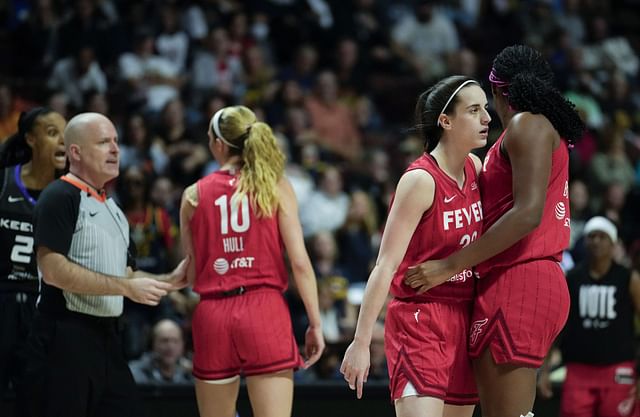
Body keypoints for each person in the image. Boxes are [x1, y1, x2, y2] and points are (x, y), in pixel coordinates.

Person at [404, 45, 585, 417]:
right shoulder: (532, 129)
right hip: (519, 277)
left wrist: (447, 265)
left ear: (498, 89)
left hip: (522, 277)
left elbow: (527, 215)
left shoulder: (527, 123)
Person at [341, 75, 490, 417]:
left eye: (485, 108)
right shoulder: (420, 180)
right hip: (420, 317)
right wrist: (362, 341)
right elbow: (385, 265)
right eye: (474, 110)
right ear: (446, 121)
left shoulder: (475, 167)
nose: (486, 118)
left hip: (465, 317)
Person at [23, 112, 190, 417]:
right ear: (75, 152)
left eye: (115, 141)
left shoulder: (113, 208)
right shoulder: (59, 196)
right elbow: (53, 270)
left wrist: (169, 281)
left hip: (108, 339)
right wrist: (126, 287)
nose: (115, 149)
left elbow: (125, 273)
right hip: (64, 336)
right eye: (103, 142)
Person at [179, 105, 325, 417]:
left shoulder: (193, 194)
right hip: (264, 309)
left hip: (213, 313)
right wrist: (315, 322)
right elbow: (299, 263)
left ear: (219, 144)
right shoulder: (275, 186)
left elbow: (191, 274)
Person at [538, 216, 640, 417]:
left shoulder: (629, 278)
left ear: (613, 243)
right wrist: (545, 369)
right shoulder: (572, 278)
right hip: (578, 370)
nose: (596, 241)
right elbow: (557, 328)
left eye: (602, 237)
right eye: (591, 236)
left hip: (618, 369)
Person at [0, 107, 66, 417]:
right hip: (3, 301)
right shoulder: (3, 184)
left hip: (44, 312)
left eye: (67, 135)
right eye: (53, 133)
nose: (62, 142)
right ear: (30, 139)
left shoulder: (71, 195)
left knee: (37, 403)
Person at [129, 318, 193, 385]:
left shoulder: (190, 374)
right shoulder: (135, 373)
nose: (170, 347)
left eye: (175, 341)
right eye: (164, 341)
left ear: (182, 345)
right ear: (153, 344)